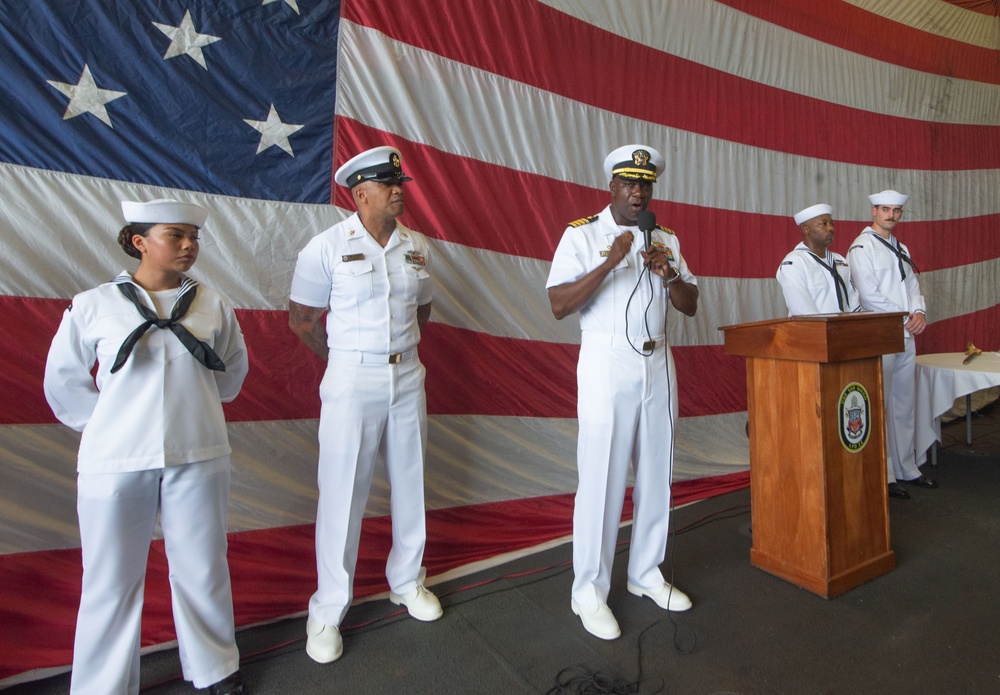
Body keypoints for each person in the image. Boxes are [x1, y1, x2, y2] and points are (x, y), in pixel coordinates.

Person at [43, 199, 250, 695]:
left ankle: (215, 668)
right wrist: (114, 426)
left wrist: (188, 409)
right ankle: (102, 685)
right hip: (115, 461)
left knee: (202, 567)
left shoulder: (213, 304)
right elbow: (63, 382)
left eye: (194, 238)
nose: (188, 246)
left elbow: (230, 375)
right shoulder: (93, 304)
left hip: (198, 452)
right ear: (139, 241)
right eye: (175, 235)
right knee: (110, 579)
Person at [289, 146, 441, 664]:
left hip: (408, 374)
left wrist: (397, 353)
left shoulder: (415, 246)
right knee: (342, 494)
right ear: (360, 193)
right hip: (352, 377)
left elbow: (424, 309)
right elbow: (303, 320)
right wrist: (350, 360)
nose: (400, 190)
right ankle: (328, 609)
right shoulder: (326, 247)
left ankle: (407, 581)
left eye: (400, 182)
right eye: (387, 183)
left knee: (411, 482)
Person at [546, 144, 698, 640]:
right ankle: (588, 591)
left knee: (658, 471)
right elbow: (558, 305)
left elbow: (691, 304)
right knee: (603, 477)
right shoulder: (583, 234)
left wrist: (668, 272)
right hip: (607, 361)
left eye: (646, 184)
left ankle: (646, 573)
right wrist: (609, 263)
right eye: (629, 183)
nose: (638, 191)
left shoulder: (666, 237)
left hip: (659, 361)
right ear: (611, 186)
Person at [847, 190, 938, 500]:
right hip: (880, 334)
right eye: (885, 209)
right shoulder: (862, 247)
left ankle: (907, 468)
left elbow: (912, 285)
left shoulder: (901, 247)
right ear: (874, 211)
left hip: (905, 334)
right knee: (880, 406)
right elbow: (868, 294)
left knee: (903, 404)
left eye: (896, 211)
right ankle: (884, 474)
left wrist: (920, 312)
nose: (891, 215)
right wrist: (904, 319)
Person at [777, 203, 860, 316]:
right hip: (813, 331)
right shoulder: (794, 263)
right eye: (824, 224)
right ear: (806, 230)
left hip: (843, 330)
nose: (830, 228)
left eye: (831, 224)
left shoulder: (840, 261)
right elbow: (803, 311)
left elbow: (853, 301)